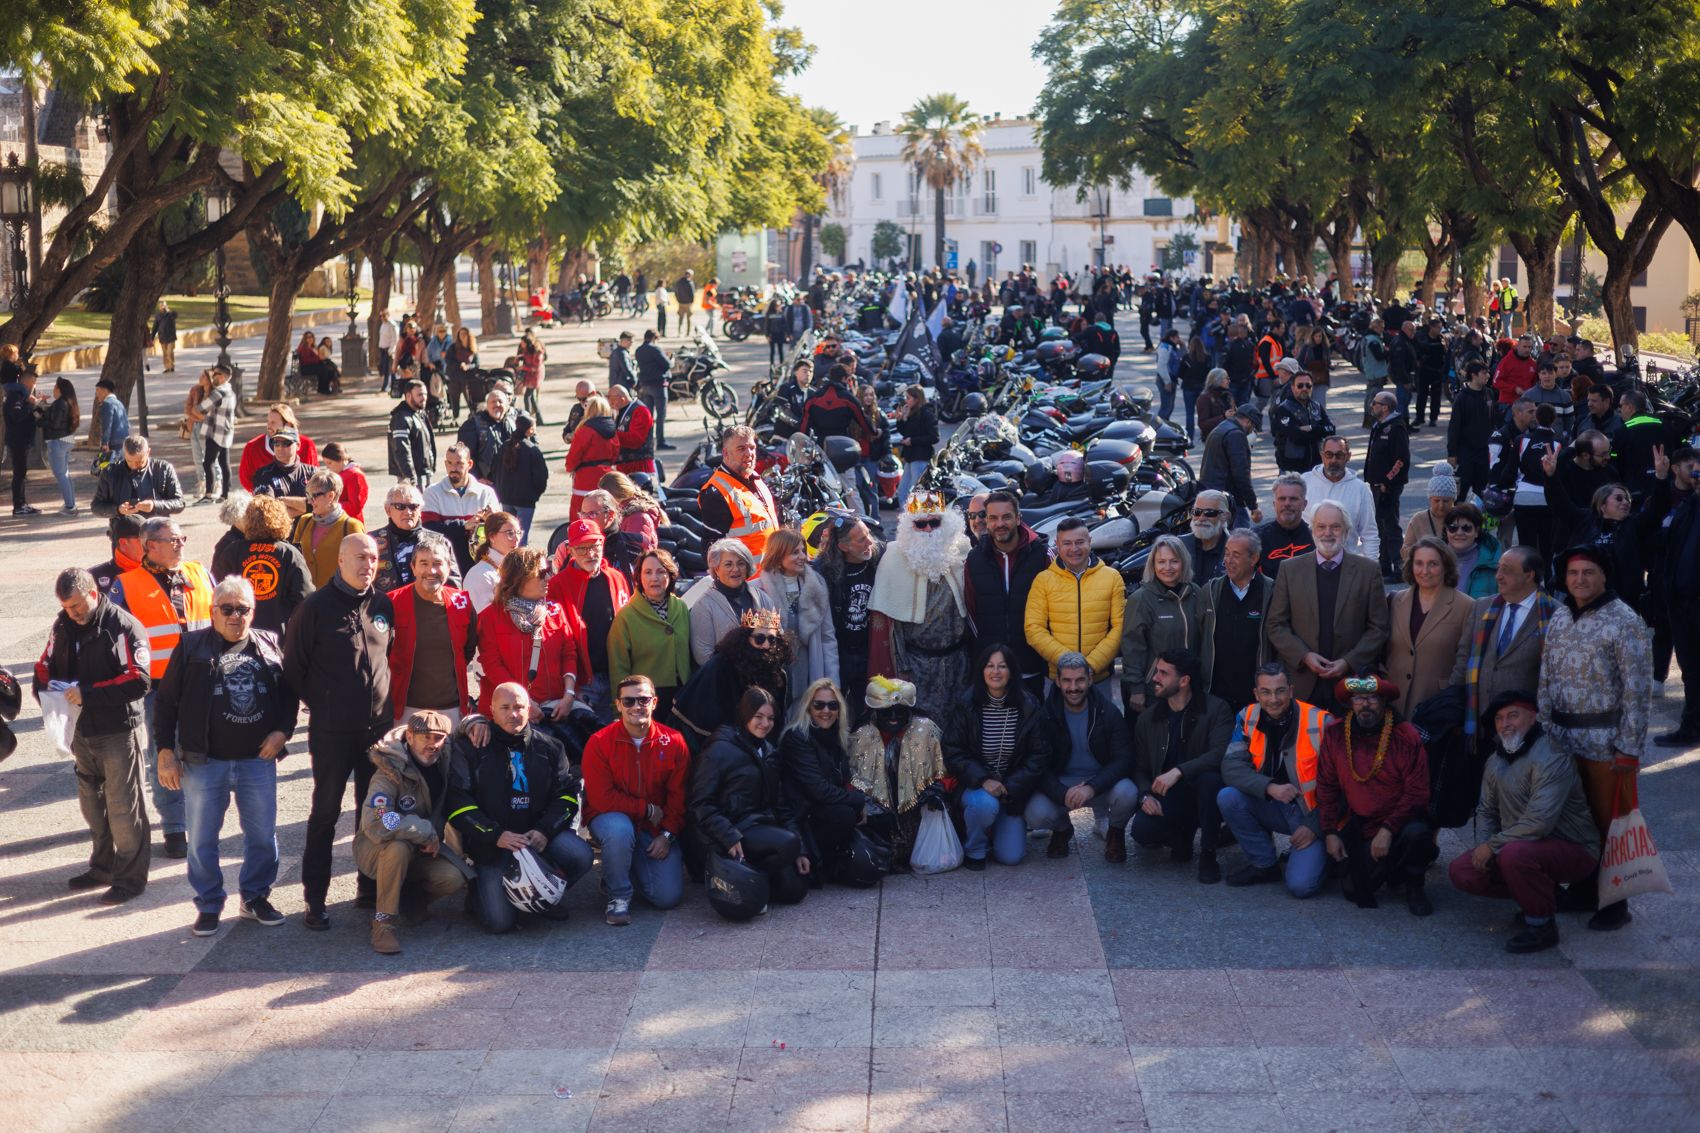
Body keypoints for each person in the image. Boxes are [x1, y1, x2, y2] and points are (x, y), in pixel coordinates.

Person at [153, 577, 295, 934]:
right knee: (202, 839)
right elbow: (166, 704)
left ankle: (255, 896)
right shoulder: (189, 647)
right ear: (212, 611)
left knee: (262, 836)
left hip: (257, 761)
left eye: (243, 609)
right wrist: (165, 753)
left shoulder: (269, 645)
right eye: (227, 609)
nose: (235, 616)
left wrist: (282, 732)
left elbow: (290, 696)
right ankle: (209, 903)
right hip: (206, 762)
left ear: (253, 611)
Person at [282, 533, 396, 929]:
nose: (368, 565)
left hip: (377, 732)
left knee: (374, 811)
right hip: (332, 732)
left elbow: (388, 658)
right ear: (341, 561)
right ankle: (315, 899)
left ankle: (368, 887)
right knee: (325, 813)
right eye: (360, 558)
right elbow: (293, 668)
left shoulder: (383, 604)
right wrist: (322, 702)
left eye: (374, 558)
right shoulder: (314, 608)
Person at [1537, 545, 1652, 931]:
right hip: (1562, 741)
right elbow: (1546, 677)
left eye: (1588, 573)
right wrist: (1543, 729)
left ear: (1604, 576)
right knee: (1575, 821)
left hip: (1606, 744)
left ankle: (1615, 901)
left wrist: (1629, 748)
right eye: (1573, 574)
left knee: (1609, 824)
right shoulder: (1560, 616)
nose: (1580, 580)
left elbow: (1637, 690)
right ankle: (1584, 888)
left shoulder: (1625, 621)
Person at [1447, 691, 1601, 953]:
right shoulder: (1495, 760)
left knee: (1514, 856)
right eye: (1498, 718)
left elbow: (1539, 822)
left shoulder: (1552, 756)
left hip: (1573, 847)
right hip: (1519, 847)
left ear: (1533, 717)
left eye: (1513, 716)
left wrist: (1493, 846)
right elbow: (1486, 811)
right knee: (1462, 871)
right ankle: (1540, 892)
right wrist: (1483, 845)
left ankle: (1541, 925)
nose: (1505, 724)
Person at [34, 567, 152, 903]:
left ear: (92, 594)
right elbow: (45, 663)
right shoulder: (62, 626)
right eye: (66, 607)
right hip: (80, 731)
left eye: (76, 606)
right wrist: (44, 688)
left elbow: (140, 680)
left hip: (117, 730)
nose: (71, 613)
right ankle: (102, 867)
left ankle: (130, 880)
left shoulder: (124, 626)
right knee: (91, 804)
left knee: (123, 807)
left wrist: (89, 693)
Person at [447, 683, 593, 934]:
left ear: (530, 709)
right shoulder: (471, 747)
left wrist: (544, 830)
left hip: (537, 840)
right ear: (491, 710)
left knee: (580, 855)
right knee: (501, 923)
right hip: (492, 844)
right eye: (505, 708)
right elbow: (457, 804)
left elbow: (568, 797)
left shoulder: (551, 747)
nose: (513, 714)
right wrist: (496, 835)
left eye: (519, 707)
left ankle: (541, 895)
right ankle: (479, 892)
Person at [109, 516, 215, 858]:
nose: (181, 544)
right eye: (173, 540)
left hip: (204, 684)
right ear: (149, 545)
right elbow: (114, 640)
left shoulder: (199, 573)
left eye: (182, 537)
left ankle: (201, 818)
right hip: (158, 690)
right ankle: (175, 827)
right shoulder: (126, 586)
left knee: (204, 753)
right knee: (164, 755)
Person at [1318, 674, 1436, 915]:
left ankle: (1414, 884)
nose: (1365, 705)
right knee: (1353, 890)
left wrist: (1388, 829)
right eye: (1359, 698)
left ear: (1384, 701)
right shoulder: (1335, 733)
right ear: (1351, 702)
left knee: (1418, 833)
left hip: (1401, 822)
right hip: (1359, 824)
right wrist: (1330, 831)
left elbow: (1418, 792)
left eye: (1372, 698)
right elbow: (1327, 786)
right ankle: (1393, 868)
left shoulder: (1405, 736)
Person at [689, 687, 810, 912]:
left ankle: (750, 880)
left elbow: (781, 805)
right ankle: (733, 875)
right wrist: (728, 834)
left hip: (761, 828)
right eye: (758, 717)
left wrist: (800, 850)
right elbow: (700, 802)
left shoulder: (770, 751)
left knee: (795, 890)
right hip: (731, 831)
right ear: (745, 716)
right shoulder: (720, 748)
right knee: (787, 843)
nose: (765, 723)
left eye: (771, 718)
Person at [582, 675, 689, 925]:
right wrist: (645, 808)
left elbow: (679, 795)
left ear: (654, 702)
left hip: (653, 828)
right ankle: (618, 895)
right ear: (618, 705)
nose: (636, 706)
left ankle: (620, 867)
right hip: (610, 820)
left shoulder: (674, 741)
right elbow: (600, 798)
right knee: (620, 831)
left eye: (643, 699)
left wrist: (668, 835)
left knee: (667, 897)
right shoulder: (599, 743)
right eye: (628, 701)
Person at [1218, 663, 1334, 896]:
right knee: (1228, 797)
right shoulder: (1247, 716)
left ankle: (1328, 857)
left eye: (1280, 691)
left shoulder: (1322, 722)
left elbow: (1343, 785)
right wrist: (1269, 787)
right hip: (1273, 802)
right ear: (1256, 693)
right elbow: (1231, 766)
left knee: (1301, 887)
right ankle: (1264, 865)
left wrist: (1314, 826)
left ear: (1291, 691)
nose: (1273, 699)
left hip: (1311, 812)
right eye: (1266, 692)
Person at [1266, 501, 1392, 712]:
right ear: (1312, 529)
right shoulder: (1290, 569)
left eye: (1335, 526)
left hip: (1351, 683)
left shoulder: (1368, 571)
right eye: (1321, 526)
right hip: (1302, 683)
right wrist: (1304, 656)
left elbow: (1379, 628)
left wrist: (1349, 662)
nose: (1328, 533)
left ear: (1347, 531)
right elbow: (1276, 624)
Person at [1129, 650, 1235, 883]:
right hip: (1170, 794)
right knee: (1142, 831)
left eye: (1163, 673)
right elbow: (1140, 767)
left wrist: (1179, 771)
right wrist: (1145, 796)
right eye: (1157, 671)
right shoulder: (1148, 718)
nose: (1155, 678)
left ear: (1184, 681)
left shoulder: (1217, 709)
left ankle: (1208, 853)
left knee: (1209, 780)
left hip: (1204, 791)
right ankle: (1182, 835)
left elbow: (1220, 753)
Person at [944, 644, 1052, 869]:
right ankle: (975, 847)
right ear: (981, 671)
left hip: (1012, 792)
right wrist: (984, 779)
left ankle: (998, 831)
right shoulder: (967, 705)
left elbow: (1038, 755)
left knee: (1010, 857)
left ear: (1012, 672)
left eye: (1002, 666)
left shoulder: (1028, 705)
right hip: (976, 787)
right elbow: (953, 751)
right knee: (985, 806)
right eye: (990, 666)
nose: (996, 672)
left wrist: (1011, 786)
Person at [1029, 652, 1139, 861]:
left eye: (1080, 680)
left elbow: (1124, 759)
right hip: (1063, 782)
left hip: (1100, 781)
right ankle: (1062, 829)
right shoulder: (1045, 716)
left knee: (1128, 792)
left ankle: (1116, 833)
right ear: (1058, 682)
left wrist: (1092, 786)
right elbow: (1038, 766)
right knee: (1035, 813)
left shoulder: (1108, 712)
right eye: (1067, 681)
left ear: (1090, 680)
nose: (1074, 687)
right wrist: (1062, 793)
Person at [868, 494, 972, 712]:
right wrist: (902, 667)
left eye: (935, 523)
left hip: (959, 662)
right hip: (917, 665)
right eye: (920, 524)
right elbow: (890, 627)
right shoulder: (893, 557)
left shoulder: (961, 552)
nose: (928, 530)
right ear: (909, 526)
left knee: (960, 723)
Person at [475, 547, 587, 730]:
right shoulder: (490, 617)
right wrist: (523, 702)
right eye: (542, 573)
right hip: (511, 715)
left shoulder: (555, 610)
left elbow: (569, 654)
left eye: (549, 571)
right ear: (520, 577)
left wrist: (569, 695)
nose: (549, 578)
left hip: (556, 710)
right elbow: (492, 665)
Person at [387, 531, 477, 725]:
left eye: (437, 563)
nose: (431, 571)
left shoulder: (462, 602)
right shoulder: (391, 602)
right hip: (405, 709)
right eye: (424, 564)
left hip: (452, 708)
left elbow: (467, 650)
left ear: (448, 566)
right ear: (413, 567)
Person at [963, 492, 1049, 695]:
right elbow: (971, 614)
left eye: (1006, 517)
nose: (999, 523)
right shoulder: (973, 560)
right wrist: (988, 654)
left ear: (1018, 518)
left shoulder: (1042, 555)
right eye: (993, 518)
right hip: (992, 672)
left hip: (1032, 667)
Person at [671, 609, 794, 747]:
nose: (766, 645)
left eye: (772, 639)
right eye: (759, 639)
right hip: (726, 744)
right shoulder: (720, 665)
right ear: (745, 639)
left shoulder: (777, 671)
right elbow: (702, 713)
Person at [1027, 517, 1125, 687]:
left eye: (1080, 542)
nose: (1074, 549)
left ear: (1090, 541)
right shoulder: (1043, 580)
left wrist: (1091, 666)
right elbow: (1033, 629)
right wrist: (1068, 664)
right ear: (1057, 544)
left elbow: (1119, 627)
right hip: (1057, 678)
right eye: (1067, 543)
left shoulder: (1112, 578)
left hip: (1099, 677)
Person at [548, 518, 631, 718]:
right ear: (571, 551)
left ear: (602, 544)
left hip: (616, 673)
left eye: (594, 546)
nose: (590, 554)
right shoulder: (558, 585)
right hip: (583, 680)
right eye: (582, 548)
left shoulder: (616, 577)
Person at [1121, 534, 1211, 713]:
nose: (1167, 568)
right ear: (1153, 564)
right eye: (1161, 562)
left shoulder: (1195, 593)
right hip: (1155, 690)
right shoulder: (1141, 599)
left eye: (1174, 561)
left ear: (1183, 563)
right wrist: (1136, 688)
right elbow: (1132, 647)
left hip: (1189, 688)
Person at [1385, 538, 1471, 720]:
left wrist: (1447, 700)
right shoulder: (1394, 600)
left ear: (1445, 566)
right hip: (1393, 703)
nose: (1425, 571)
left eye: (1433, 564)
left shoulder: (1467, 606)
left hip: (1436, 707)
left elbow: (1464, 662)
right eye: (1419, 563)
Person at [753, 528, 839, 708]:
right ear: (778, 555)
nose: (802, 556)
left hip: (808, 667)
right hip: (774, 669)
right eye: (794, 552)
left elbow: (827, 637)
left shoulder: (817, 585)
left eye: (803, 551)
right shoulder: (757, 589)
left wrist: (832, 683)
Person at [608, 549, 693, 722]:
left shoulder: (681, 607)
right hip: (645, 700)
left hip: (682, 696)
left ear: (670, 575)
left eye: (661, 571)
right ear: (639, 577)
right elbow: (618, 668)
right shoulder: (626, 617)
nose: (654, 578)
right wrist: (620, 710)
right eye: (648, 572)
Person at [814, 512, 882, 710]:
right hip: (839, 654)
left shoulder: (878, 560)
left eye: (868, 534)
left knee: (869, 712)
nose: (870, 541)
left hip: (870, 652)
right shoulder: (822, 572)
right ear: (843, 547)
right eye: (862, 539)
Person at [684, 538, 775, 666]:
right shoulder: (703, 606)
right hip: (726, 680)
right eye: (728, 564)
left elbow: (777, 637)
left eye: (741, 563)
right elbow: (703, 656)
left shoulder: (763, 598)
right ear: (716, 569)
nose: (735, 569)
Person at [234, 496, 314, 635]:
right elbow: (305, 596)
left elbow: (217, 589)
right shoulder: (289, 554)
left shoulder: (233, 551)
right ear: (281, 518)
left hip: (239, 632)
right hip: (279, 635)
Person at [697, 425, 778, 556]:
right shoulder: (717, 493)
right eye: (741, 449)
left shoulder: (755, 478)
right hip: (749, 576)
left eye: (752, 448)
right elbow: (711, 553)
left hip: (771, 573)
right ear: (725, 453)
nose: (749, 454)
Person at [422, 444, 501, 576]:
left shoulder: (486, 493)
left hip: (481, 563)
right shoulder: (432, 492)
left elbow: (499, 530)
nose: (453, 468)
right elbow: (429, 531)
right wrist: (463, 526)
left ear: (469, 464)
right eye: (450, 463)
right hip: (445, 563)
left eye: (459, 463)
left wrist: (491, 521)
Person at [1301, 437, 1379, 563]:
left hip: (1346, 566)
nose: (1333, 460)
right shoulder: (1305, 482)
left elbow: (1369, 534)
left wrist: (1373, 569)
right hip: (1307, 565)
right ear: (1322, 456)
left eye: (1339, 455)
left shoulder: (1361, 489)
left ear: (1348, 456)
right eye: (1329, 455)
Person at [373, 483, 460, 594]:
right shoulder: (372, 542)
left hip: (428, 607)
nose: (408, 512)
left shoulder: (440, 542)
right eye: (400, 507)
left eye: (413, 506)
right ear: (388, 510)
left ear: (420, 510)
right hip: (385, 608)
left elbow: (454, 584)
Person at [92, 436, 188, 535]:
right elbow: (96, 507)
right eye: (129, 461)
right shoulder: (110, 472)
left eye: (139, 462)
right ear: (124, 454)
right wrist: (118, 510)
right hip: (123, 534)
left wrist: (155, 505)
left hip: (157, 532)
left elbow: (180, 503)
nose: (134, 466)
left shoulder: (163, 468)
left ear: (148, 452)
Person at [288, 469, 365, 589]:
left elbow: (361, 568)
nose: (309, 501)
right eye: (308, 495)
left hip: (338, 599)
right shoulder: (304, 521)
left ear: (330, 496)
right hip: (306, 599)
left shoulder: (351, 526)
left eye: (314, 496)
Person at [1365, 390, 1411, 580]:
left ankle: (1400, 568)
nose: (1372, 406)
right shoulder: (1380, 425)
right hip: (1375, 485)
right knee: (1380, 526)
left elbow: (1401, 459)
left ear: (1385, 407)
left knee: (1390, 527)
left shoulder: (1396, 428)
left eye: (1375, 403)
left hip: (1388, 487)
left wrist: (1387, 481)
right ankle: (1384, 566)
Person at [1198, 403, 1264, 525]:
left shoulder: (1222, 427)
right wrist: (1253, 506)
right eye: (1253, 427)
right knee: (1243, 538)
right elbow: (1241, 474)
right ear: (1249, 422)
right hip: (1228, 499)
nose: (1252, 431)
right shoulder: (1236, 435)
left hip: (1212, 494)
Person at [1270, 367, 1336, 473]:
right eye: (1300, 385)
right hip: (1292, 468)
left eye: (1308, 385)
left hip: (1315, 467)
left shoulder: (1316, 406)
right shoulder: (1284, 409)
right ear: (1292, 388)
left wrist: (1311, 428)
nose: (1304, 388)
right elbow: (1296, 437)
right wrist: (1320, 432)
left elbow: (1331, 429)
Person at [1447, 360, 1495, 501]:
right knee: (1461, 491)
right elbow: (1454, 426)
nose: (1488, 375)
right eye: (1484, 373)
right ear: (1473, 375)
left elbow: (1493, 421)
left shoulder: (1489, 394)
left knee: (1482, 492)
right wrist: (1452, 453)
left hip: (1485, 451)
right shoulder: (1462, 397)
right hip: (1466, 451)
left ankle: (1479, 521)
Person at [1253, 473, 1314, 578]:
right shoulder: (1256, 538)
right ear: (1274, 504)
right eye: (1282, 499)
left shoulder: (1316, 537)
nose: (1287, 504)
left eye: (1293, 499)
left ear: (1304, 505)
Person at [193, 366, 237, 504]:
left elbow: (201, 408)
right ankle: (225, 493)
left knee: (208, 463)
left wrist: (194, 408)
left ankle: (209, 494)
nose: (213, 377)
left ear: (224, 377)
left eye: (216, 374)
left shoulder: (219, 393)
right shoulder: (230, 391)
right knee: (224, 463)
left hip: (215, 433)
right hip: (226, 432)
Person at [456, 387, 517, 483]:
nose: (497, 404)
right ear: (486, 405)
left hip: (511, 481)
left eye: (500, 402)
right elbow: (464, 455)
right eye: (493, 402)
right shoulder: (473, 425)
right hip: (486, 482)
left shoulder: (513, 423)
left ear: (507, 406)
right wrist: (477, 477)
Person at [464, 510, 520, 614]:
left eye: (518, 533)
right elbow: (482, 620)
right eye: (510, 533)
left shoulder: (515, 566)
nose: (516, 539)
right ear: (492, 537)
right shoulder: (479, 575)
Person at [40, 377, 81, 515]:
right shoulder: (68, 402)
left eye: (54, 387)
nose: (53, 390)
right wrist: (42, 405)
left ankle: (70, 507)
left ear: (59, 389)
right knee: (65, 473)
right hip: (67, 439)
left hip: (58, 441)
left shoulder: (60, 404)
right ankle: (71, 503)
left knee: (60, 474)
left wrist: (37, 419)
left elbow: (53, 423)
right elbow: (52, 417)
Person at [891, 384, 938, 505]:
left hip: (921, 456)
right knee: (903, 491)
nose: (906, 401)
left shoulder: (926, 413)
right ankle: (906, 518)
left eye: (908, 398)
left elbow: (934, 437)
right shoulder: (911, 412)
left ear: (916, 399)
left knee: (915, 492)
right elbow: (905, 432)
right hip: (910, 457)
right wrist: (900, 419)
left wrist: (912, 441)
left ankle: (915, 519)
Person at [1402, 465, 1458, 563]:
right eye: (1436, 501)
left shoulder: (1462, 518)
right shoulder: (1418, 519)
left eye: (1445, 501)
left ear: (1453, 500)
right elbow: (1404, 552)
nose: (1441, 506)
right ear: (1430, 499)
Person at [250, 430, 313, 515]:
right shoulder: (263, 474)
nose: (280, 448)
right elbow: (268, 512)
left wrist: (282, 500)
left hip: (309, 527)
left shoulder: (312, 473)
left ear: (298, 445)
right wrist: (306, 508)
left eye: (286, 443)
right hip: (278, 528)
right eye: (276, 443)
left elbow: (322, 505)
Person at [388, 379, 437, 485]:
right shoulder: (401, 418)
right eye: (419, 395)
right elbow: (401, 450)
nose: (424, 398)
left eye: (425, 394)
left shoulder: (420, 414)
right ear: (408, 396)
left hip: (424, 473)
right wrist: (410, 478)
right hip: (413, 477)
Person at [634, 329, 672, 449]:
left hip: (645, 385)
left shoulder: (638, 350)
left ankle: (648, 442)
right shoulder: (655, 349)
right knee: (661, 415)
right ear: (654, 338)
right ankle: (660, 441)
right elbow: (667, 365)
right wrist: (669, 358)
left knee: (648, 416)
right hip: (658, 385)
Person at [608, 385, 656, 479]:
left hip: (640, 466)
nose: (610, 404)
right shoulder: (619, 410)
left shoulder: (641, 411)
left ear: (622, 399)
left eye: (612, 400)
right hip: (624, 466)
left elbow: (636, 440)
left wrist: (610, 433)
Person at [320, 441, 369, 526]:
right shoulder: (343, 473)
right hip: (339, 521)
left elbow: (354, 507)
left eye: (330, 463)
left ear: (341, 459)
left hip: (350, 523)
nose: (328, 467)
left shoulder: (354, 475)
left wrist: (329, 505)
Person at [93, 377, 131, 464]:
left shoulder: (107, 404)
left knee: (111, 470)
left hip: (114, 442)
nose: (96, 394)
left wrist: (105, 443)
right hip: (123, 441)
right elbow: (127, 424)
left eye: (98, 390)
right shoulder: (118, 403)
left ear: (105, 391)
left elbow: (107, 425)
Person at [444, 326, 478, 417]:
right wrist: (459, 364)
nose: (463, 336)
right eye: (461, 334)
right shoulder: (453, 347)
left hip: (468, 379)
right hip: (454, 377)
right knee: (454, 400)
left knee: (470, 399)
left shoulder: (472, 348)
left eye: (465, 334)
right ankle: (455, 417)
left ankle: (473, 415)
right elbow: (448, 360)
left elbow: (476, 364)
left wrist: (468, 366)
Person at [296, 328, 339, 395]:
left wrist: (319, 358)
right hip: (306, 368)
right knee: (325, 369)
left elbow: (318, 357)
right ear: (305, 339)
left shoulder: (313, 347)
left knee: (330, 368)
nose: (310, 339)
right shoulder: (303, 348)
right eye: (308, 337)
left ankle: (331, 387)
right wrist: (318, 358)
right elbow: (306, 360)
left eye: (311, 337)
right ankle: (322, 389)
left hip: (313, 366)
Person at [1195, 369, 1234, 441]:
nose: (1229, 381)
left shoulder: (1227, 395)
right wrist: (1224, 417)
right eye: (1226, 378)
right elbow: (1202, 424)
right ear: (1218, 380)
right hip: (1214, 439)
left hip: (1229, 435)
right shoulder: (1205, 398)